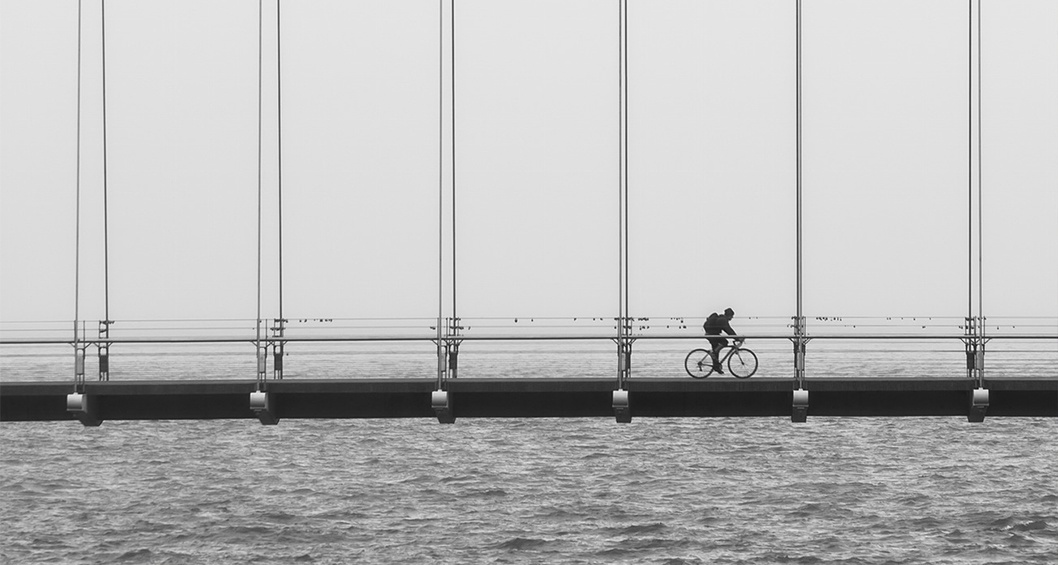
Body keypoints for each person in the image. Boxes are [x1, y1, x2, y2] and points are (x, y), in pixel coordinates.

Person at [703, 308, 737, 374]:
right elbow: (728, 330)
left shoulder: (722, 319)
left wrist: (735, 337)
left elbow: (729, 330)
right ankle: (714, 354)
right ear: (729, 315)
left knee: (716, 350)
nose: (732, 318)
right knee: (725, 342)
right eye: (732, 316)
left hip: (711, 334)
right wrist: (737, 338)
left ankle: (716, 366)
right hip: (712, 334)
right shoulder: (723, 320)